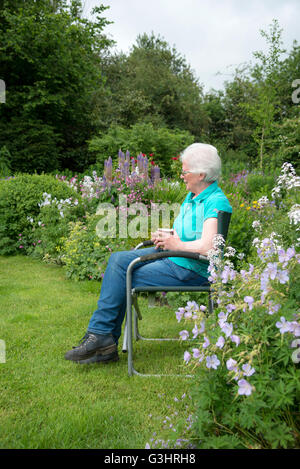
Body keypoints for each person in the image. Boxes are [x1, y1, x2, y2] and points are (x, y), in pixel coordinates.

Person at [64, 143, 232, 365]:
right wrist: (170, 236)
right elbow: (192, 235)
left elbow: (210, 248)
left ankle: (102, 340)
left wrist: (176, 243)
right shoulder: (192, 197)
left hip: (192, 269)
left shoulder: (215, 201)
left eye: (184, 171)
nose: (181, 176)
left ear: (201, 174)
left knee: (123, 274)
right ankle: (102, 339)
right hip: (178, 257)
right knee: (117, 259)